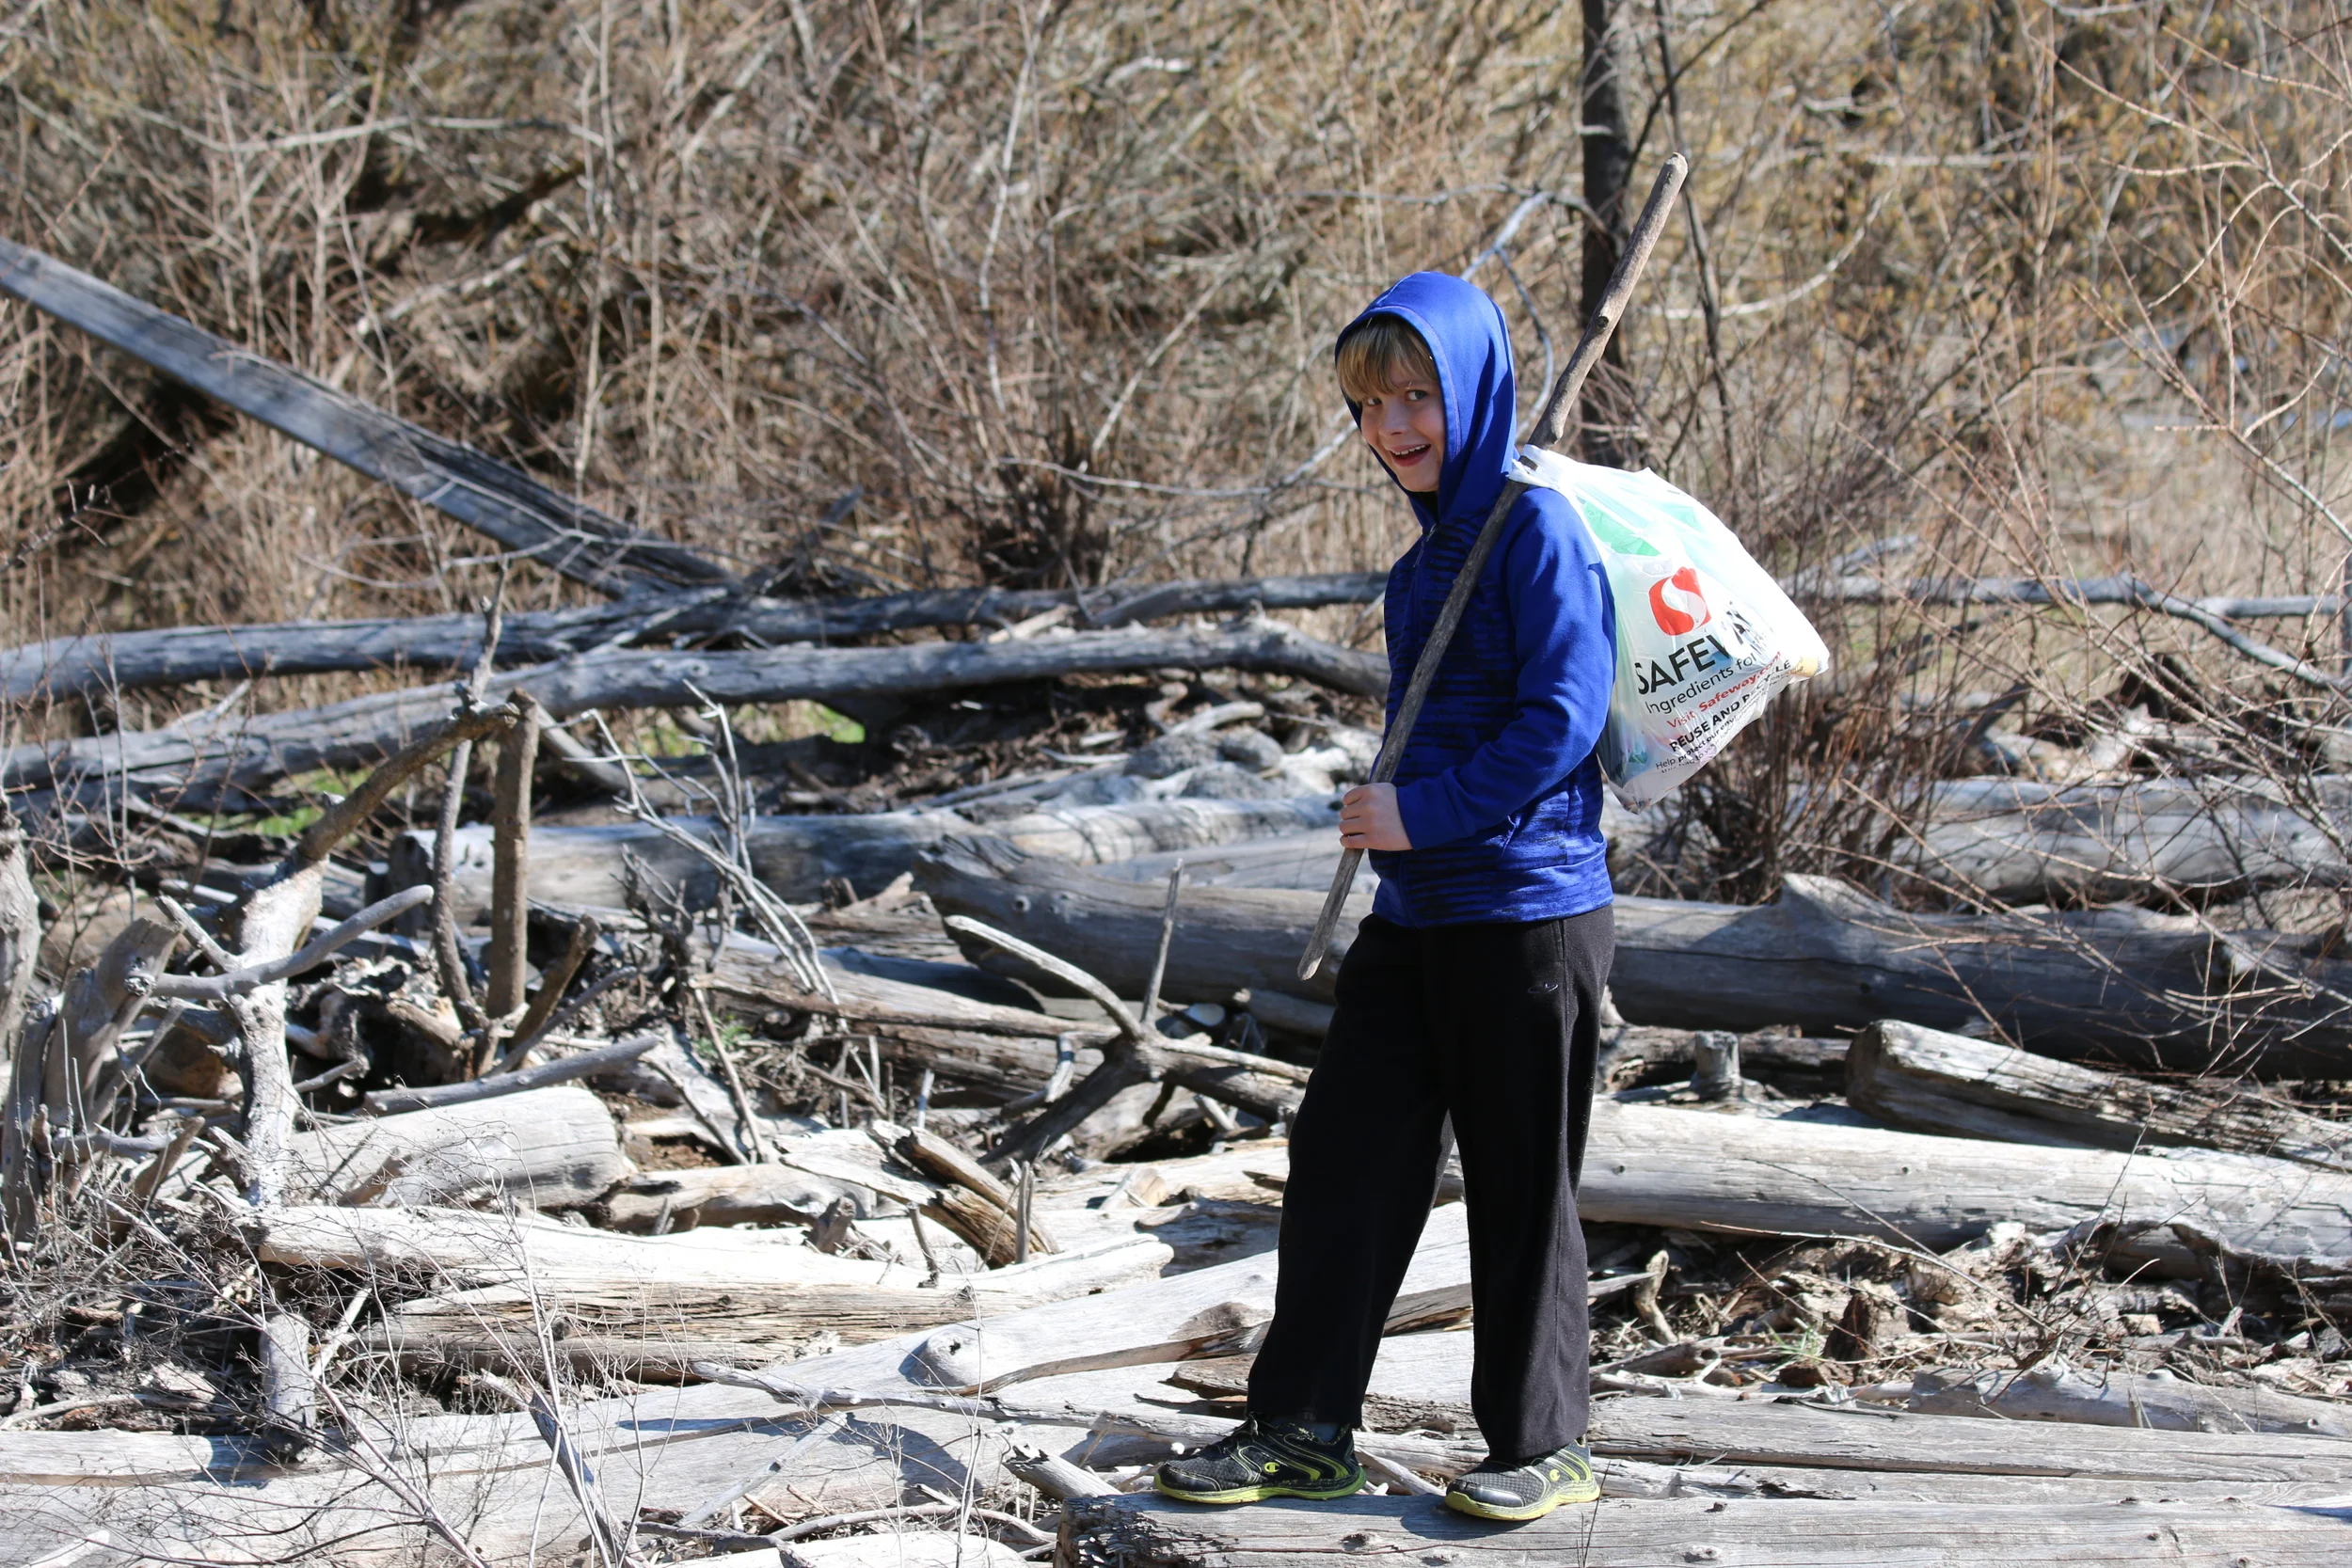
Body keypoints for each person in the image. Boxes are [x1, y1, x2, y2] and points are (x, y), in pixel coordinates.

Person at [1153, 272, 1618, 1523]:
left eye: (1421, 394)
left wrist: (1425, 810)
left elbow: (1564, 721)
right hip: (1415, 919)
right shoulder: (1425, 567)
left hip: (1527, 911)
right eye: (1374, 402)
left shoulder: (1537, 528)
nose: (1398, 423)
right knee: (1345, 1160)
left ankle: (1543, 1443)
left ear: (1471, 390)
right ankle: (1304, 1425)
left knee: (1523, 1182)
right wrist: (1390, 808)